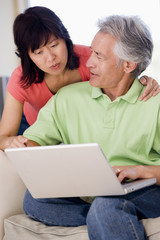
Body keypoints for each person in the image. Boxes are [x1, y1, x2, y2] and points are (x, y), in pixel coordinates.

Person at [22, 15, 160, 240]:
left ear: (128, 65)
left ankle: (106, 212)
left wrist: (140, 171)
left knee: (106, 204)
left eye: (98, 56)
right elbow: (34, 141)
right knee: (34, 201)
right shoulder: (68, 97)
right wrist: (29, 150)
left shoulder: (155, 103)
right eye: (91, 51)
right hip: (90, 191)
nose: (88, 63)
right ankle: (105, 216)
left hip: (145, 189)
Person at [0, 6, 159, 151]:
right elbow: (7, 137)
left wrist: (143, 80)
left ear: (65, 38)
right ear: (27, 56)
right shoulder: (23, 80)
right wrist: (12, 143)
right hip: (34, 124)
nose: (51, 59)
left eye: (54, 45)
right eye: (38, 52)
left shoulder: (87, 59)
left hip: (82, 129)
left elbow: (124, 71)